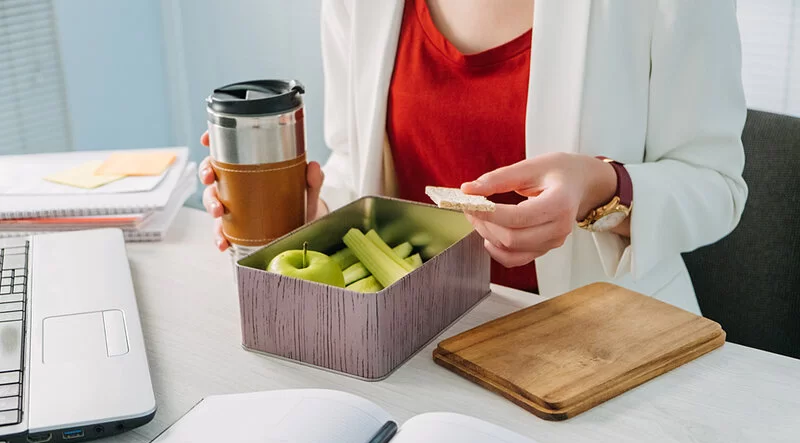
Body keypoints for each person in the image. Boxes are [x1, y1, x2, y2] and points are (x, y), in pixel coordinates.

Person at [200, 0, 747, 313]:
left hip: (597, 343)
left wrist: (602, 188)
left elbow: (716, 183)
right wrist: (309, 223)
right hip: (413, 341)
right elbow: (357, 170)